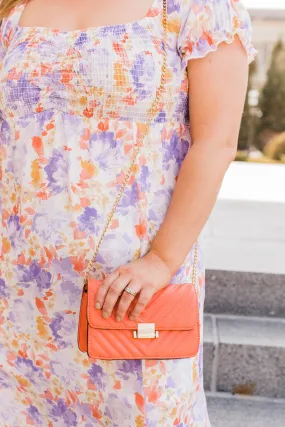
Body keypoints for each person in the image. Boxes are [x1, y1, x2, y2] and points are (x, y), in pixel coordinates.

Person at [0, 0, 257, 425]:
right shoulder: (15, 11)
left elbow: (216, 143)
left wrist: (162, 260)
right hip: (22, 294)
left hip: (131, 286)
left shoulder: (199, 9)